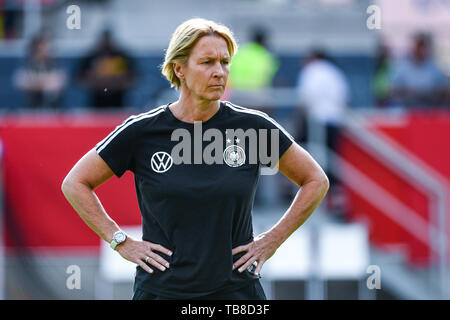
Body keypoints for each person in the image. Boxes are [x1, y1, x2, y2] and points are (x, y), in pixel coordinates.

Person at [62, 18, 329, 300]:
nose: (220, 72)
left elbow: (315, 180)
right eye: (207, 62)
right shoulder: (143, 131)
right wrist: (120, 241)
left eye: (225, 62)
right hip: (161, 292)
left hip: (237, 294)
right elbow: (75, 182)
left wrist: (273, 239)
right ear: (179, 69)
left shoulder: (253, 128)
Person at [295, 49, 350, 215]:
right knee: (331, 163)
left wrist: (299, 125)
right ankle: (337, 202)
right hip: (334, 121)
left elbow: (305, 99)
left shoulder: (311, 71)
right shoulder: (335, 73)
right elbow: (345, 98)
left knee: (306, 160)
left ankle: (307, 200)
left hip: (316, 122)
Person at [77, 29, 136, 109]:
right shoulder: (92, 57)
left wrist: (115, 83)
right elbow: (80, 79)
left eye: (108, 40)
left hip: (118, 99)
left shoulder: (121, 56)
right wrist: (98, 82)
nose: (106, 43)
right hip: (96, 99)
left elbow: (132, 78)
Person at [389, 33, 447, 108]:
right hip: (407, 111)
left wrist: (429, 93)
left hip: (429, 110)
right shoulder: (401, 68)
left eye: (423, 46)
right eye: (418, 46)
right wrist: (410, 93)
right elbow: (393, 91)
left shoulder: (434, 68)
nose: (420, 50)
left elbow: (444, 91)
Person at [12, 34, 67, 109]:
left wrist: (36, 83)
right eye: (38, 49)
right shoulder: (26, 64)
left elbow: (59, 83)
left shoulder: (55, 64)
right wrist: (41, 84)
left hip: (52, 106)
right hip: (30, 106)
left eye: (44, 49)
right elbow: (19, 82)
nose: (41, 52)